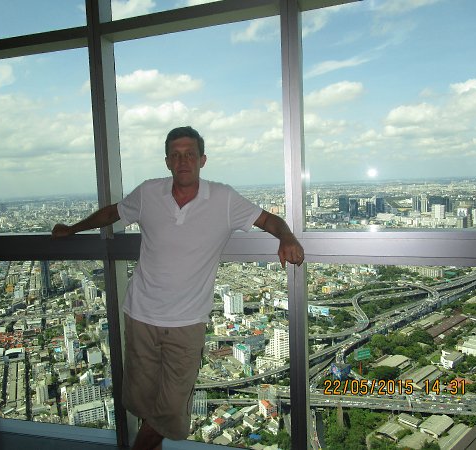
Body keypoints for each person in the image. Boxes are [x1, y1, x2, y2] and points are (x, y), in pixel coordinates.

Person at [52, 126, 304, 450]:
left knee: (170, 410)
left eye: (190, 154)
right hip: (141, 315)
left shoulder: (224, 198)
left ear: (202, 160)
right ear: (167, 162)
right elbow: (113, 212)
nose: (183, 161)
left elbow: (268, 220)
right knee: (143, 402)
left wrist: (287, 236)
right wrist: (73, 229)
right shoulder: (148, 193)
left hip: (187, 322)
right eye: (176, 155)